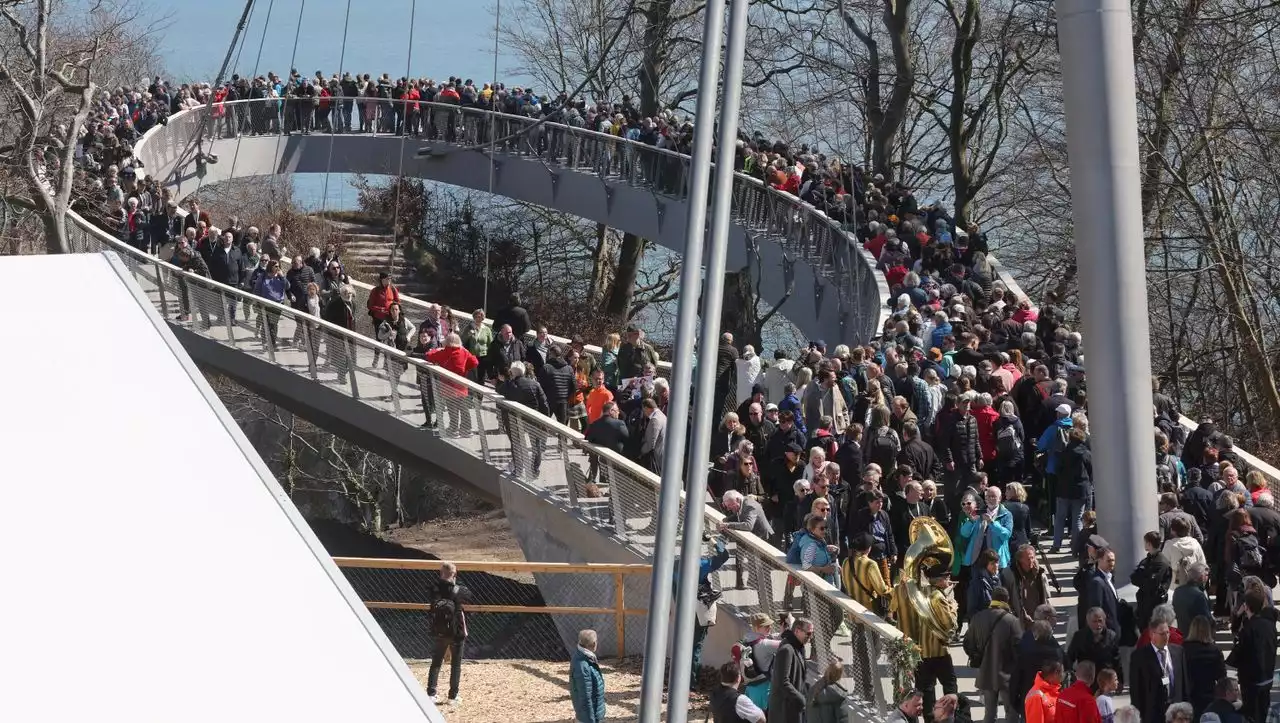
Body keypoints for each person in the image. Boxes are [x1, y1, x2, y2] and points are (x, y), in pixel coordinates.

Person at [964, 586, 1023, 723]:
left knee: (989, 714)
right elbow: (1019, 649)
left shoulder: (977, 617)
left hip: (985, 673)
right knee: (1012, 713)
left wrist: (976, 656)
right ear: (1007, 600)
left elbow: (967, 644)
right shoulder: (1012, 621)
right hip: (1007, 674)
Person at [1226, 589, 1276, 723]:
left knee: (1252, 714)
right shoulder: (1270, 625)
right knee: (1264, 711)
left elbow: (1238, 653)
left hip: (1252, 680)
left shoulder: (1248, 628)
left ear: (1246, 606)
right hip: (1267, 677)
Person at [426, 561, 471, 706]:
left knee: (436, 662)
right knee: (456, 664)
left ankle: (431, 693)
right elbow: (470, 595)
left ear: (441, 573)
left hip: (439, 630)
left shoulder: (434, 588)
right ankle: (453, 696)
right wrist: (457, 582)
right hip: (456, 631)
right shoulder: (459, 590)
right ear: (455, 574)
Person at [1129, 618, 1188, 723]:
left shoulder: (1178, 652)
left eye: (1167, 633)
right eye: (1162, 634)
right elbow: (1136, 691)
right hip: (1153, 715)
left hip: (1177, 713)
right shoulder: (1139, 656)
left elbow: (1184, 683)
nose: (1166, 637)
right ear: (1152, 634)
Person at [497, 362, 550, 477]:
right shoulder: (535, 384)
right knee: (536, 445)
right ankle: (534, 469)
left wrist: (507, 379)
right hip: (533, 420)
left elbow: (499, 392)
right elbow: (544, 404)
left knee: (516, 444)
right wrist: (545, 420)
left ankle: (518, 469)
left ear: (511, 372)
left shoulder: (508, 386)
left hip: (514, 421)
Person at [425, 333, 480, 435]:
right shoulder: (463, 352)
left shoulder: (445, 352)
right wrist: (465, 369)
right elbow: (475, 362)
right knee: (463, 407)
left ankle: (453, 429)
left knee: (452, 407)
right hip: (461, 385)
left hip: (447, 386)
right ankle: (466, 429)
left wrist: (435, 350)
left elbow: (429, 356)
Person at [721, 490, 774, 589]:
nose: (728, 508)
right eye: (727, 506)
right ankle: (745, 583)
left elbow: (748, 525)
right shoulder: (741, 503)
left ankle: (766, 589)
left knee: (762, 568)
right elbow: (739, 516)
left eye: (730, 505)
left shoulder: (750, 505)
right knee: (745, 559)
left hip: (763, 539)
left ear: (737, 499)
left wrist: (728, 525)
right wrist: (727, 519)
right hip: (753, 537)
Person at [767, 616, 813, 723]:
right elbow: (782, 682)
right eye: (809, 633)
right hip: (785, 710)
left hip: (793, 706)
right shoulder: (786, 650)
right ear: (797, 631)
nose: (811, 637)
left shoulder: (798, 647)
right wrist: (801, 700)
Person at [1065, 608, 1122, 692]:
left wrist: (1120, 680)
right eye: (1094, 621)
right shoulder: (1079, 636)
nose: (1098, 625)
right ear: (1088, 622)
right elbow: (1070, 657)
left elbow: (1117, 659)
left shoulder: (1111, 636)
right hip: (1086, 680)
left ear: (1104, 620)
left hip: (1104, 680)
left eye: (1100, 621)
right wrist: (1070, 675)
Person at [1179, 615, 1224, 718]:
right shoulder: (1215, 650)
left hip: (1189, 695)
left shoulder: (1183, 649)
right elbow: (1221, 676)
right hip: (1208, 694)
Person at [1001, 543, 1051, 628]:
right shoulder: (1009, 574)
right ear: (1020, 560)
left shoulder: (1040, 573)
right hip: (1018, 620)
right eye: (1028, 559)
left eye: (1032, 557)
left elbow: (1046, 597)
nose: (1031, 561)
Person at [1131, 531, 1172, 631]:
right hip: (1144, 604)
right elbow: (1133, 578)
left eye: (1145, 542)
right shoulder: (1147, 560)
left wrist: (1142, 579)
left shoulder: (1161, 562)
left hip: (1154, 605)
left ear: (1149, 544)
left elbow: (1152, 583)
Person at [570, 629, 606, 723]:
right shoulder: (583, 666)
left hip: (591, 713)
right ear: (594, 643)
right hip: (589, 717)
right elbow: (585, 697)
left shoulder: (582, 656)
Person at [1083, 548, 1121, 636]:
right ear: (1099, 561)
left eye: (1113, 560)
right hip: (1106, 633)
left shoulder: (1109, 578)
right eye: (1108, 560)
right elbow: (1096, 610)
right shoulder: (1097, 582)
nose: (1112, 563)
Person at [1170, 562, 1211, 632]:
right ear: (1201, 576)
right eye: (1206, 575)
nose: (1207, 578)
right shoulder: (1199, 595)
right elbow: (1206, 619)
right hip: (1196, 636)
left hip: (1181, 633)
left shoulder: (1177, 591)